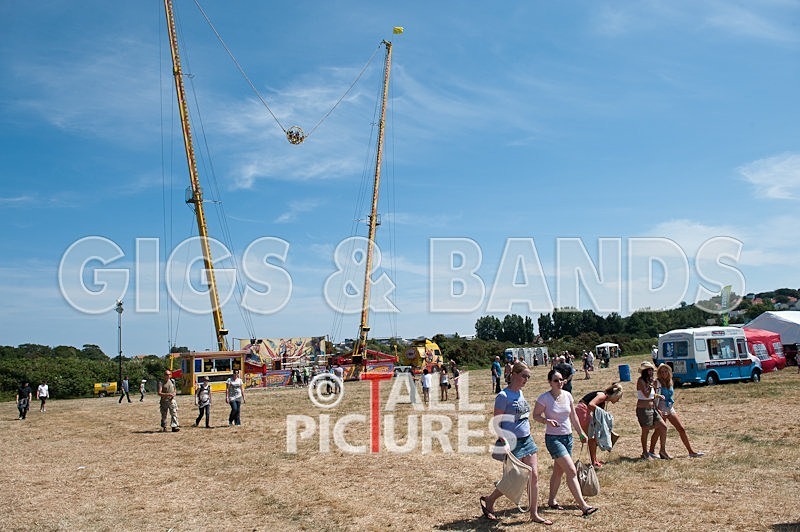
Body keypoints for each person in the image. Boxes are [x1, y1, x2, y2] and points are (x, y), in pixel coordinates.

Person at [480, 362, 552, 525]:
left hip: (527, 439)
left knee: (533, 476)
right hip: (512, 442)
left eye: (528, 377)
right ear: (514, 375)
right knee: (515, 478)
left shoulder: (520, 393)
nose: (526, 379)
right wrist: (502, 439)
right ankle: (490, 500)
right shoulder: (503, 396)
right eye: (524, 376)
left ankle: (534, 514)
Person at [533, 369, 598, 518]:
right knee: (571, 471)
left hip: (567, 438)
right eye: (556, 380)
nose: (559, 382)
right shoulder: (544, 398)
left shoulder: (568, 395)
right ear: (550, 382)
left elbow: (573, 416)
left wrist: (581, 433)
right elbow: (535, 415)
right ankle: (584, 506)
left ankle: (551, 500)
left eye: (561, 379)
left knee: (558, 471)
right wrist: (546, 421)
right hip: (553, 439)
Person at [649, 364, 704, 458]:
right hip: (661, 408)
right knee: (659, 431)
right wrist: (656, 408)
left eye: (666, 371)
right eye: (661, 372)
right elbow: (652, 396)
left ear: (669, 372)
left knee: (681, 429)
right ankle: (652, 451)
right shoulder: (657, 382)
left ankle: (691, 451)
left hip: (670, 407)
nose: (664, 374)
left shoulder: (670, 381)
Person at [575, 383, 624, 468]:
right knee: (593, 438)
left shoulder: (604, 398)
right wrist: (604, 414)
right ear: (615, 395)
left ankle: (595, 460)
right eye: (618, 398)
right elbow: (591, 405)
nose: (618, 400)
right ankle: (594, 462)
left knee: (594, 437)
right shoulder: (602, 396)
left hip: (584, 411)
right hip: (583, 411)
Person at [636, 361, 667, 459]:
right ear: (644, 371)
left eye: (651, 370)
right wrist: (650, 386)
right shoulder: (641, 381)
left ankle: (662, 450)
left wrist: (658, 396)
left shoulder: (650, 381)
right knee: (645, 430)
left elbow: (651, 395)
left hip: (652, 407)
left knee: (663, 427)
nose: (651, 372)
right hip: (643, 409)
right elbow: (645, 394)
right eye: (648, 370)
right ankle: (645, 452)